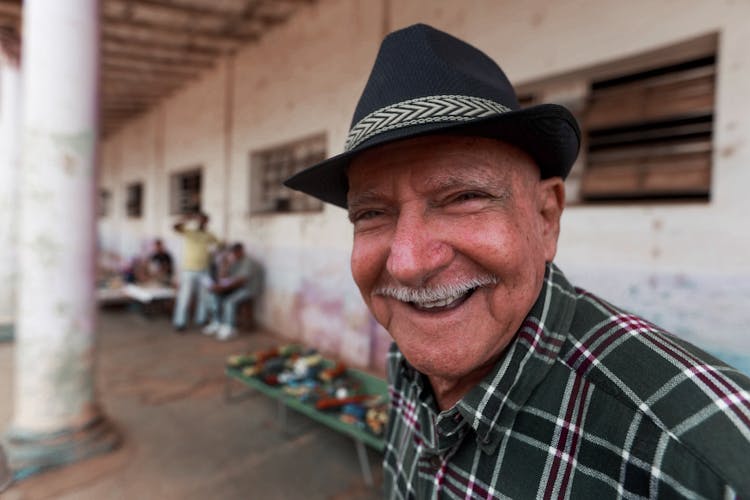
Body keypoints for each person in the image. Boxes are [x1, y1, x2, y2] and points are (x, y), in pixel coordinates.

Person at [284, 24, 750, 499]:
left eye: (464, 196)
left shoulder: (705, 460)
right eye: (371, 213)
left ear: (546, 218)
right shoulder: (407, 359)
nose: (406, 264)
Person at [201, 242, 263, 341]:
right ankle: (217, 322)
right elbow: (225, 277)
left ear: (241, 251)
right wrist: (225, 265)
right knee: (216, 296)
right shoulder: (236, 261)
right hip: (238, 288)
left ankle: (230, 327)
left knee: (229, 301)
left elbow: (241, 281)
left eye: (234, 253)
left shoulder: (248, 262)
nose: (233, 255)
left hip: (249, 289)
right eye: (232, 253)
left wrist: (223, 287)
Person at [172, 212, 218, 331]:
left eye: (204, 220)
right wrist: (186, 218)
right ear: (197, 221)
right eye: (200, 220)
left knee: (204, 296)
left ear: (207, 222)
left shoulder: (209, 235)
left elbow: (219, 245)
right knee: (184, 296)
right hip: (189, 270)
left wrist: (214, 253)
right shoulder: (189, 232)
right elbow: (175, 227)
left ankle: (200, 319)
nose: (202, 222)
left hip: (204, 270)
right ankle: (180, 322)